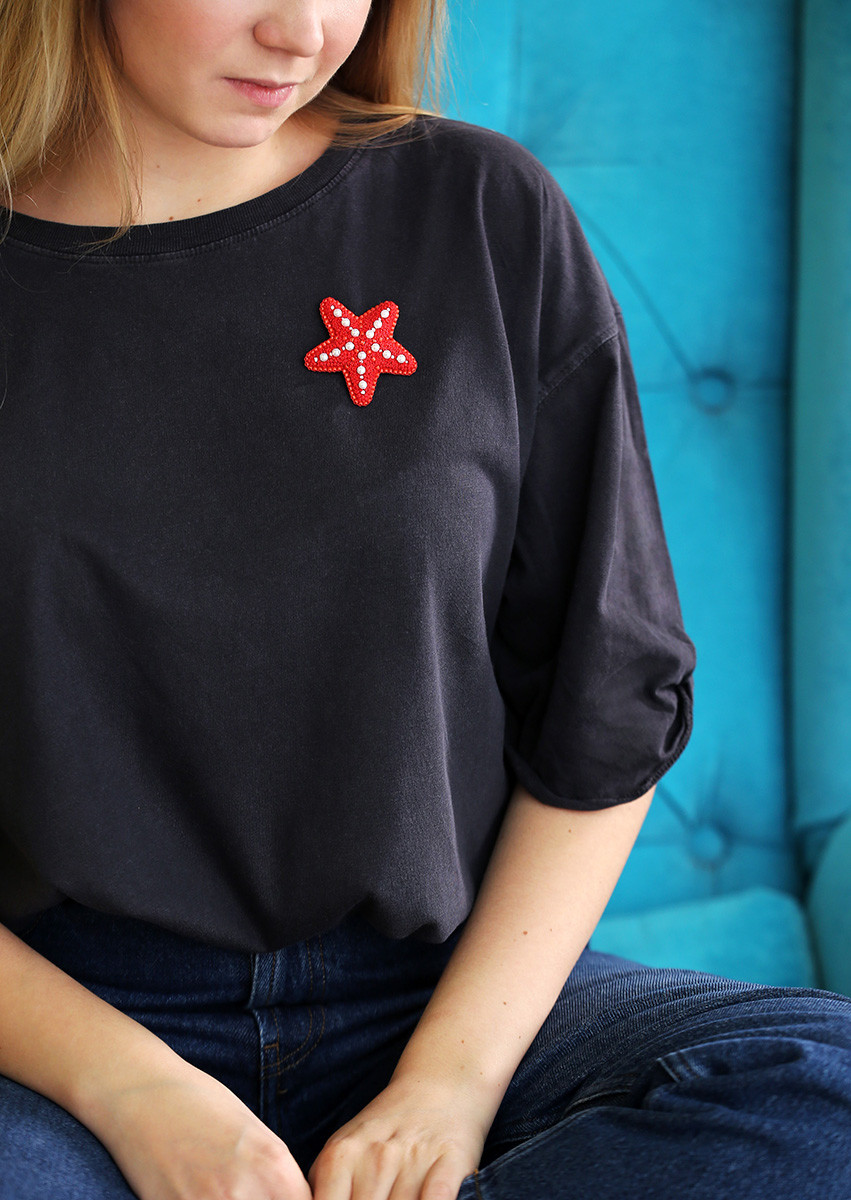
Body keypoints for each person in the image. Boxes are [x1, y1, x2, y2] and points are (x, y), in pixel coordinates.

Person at [0, 1, 849, 1198]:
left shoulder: (478, 209)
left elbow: (606, 699)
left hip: (443, 995)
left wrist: (451, 1085)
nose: (304, 32)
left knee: (822, 1101)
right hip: (59, 1029)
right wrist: (132, 1092)